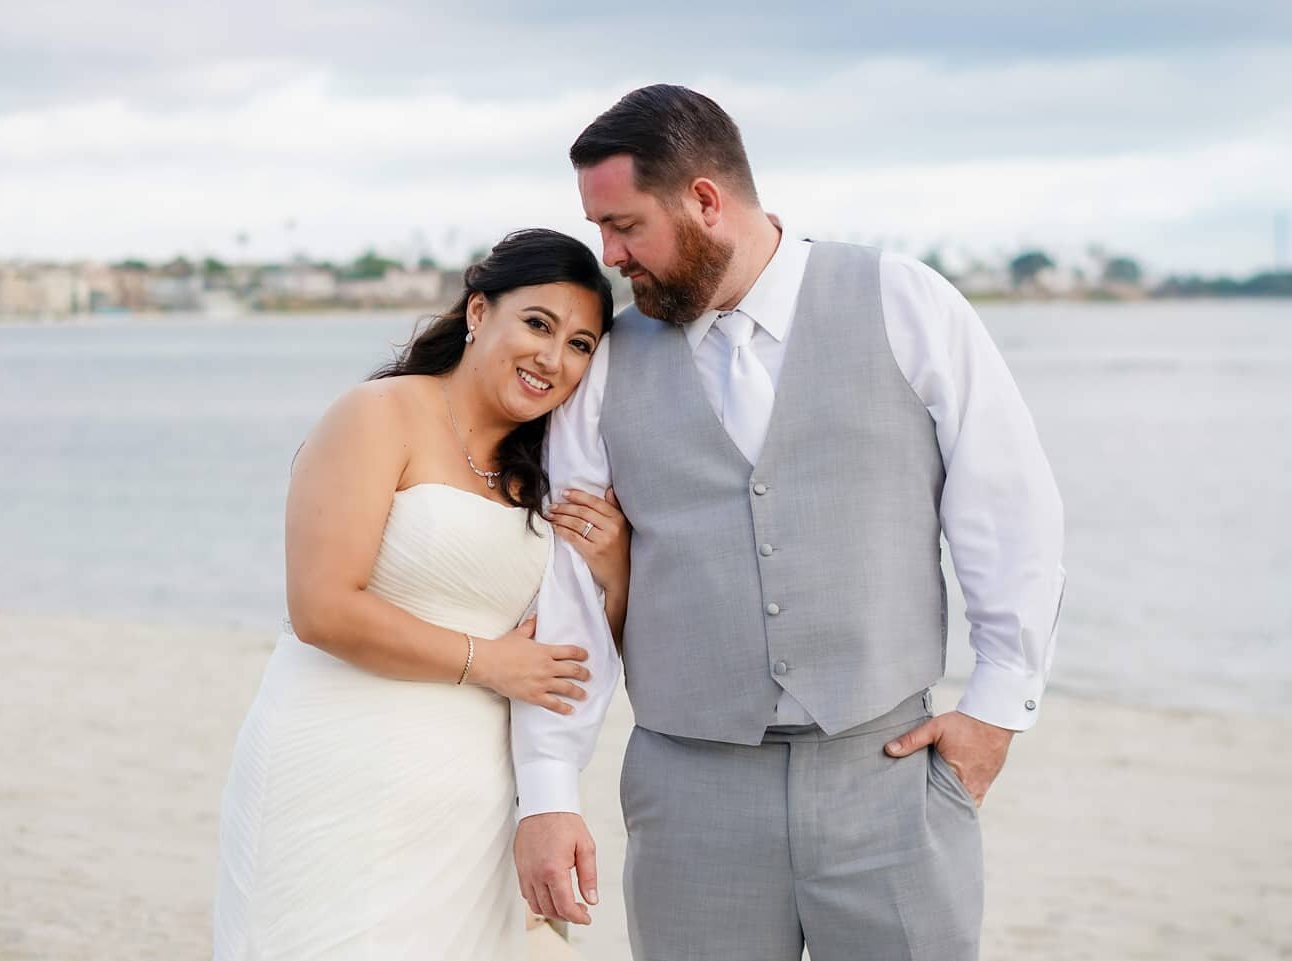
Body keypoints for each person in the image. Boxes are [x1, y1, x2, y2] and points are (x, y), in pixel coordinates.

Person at [511, 85, 1067, 960]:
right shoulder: (611, 360)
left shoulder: (903, 299)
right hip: (688, 792)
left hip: (886, 775)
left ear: (704, 200)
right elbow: (570, 589)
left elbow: (1009, 508)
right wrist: (547, 786)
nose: (610, 255)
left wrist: (997, 707)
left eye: (624, 226)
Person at [213, 228, 631, 961]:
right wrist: (488, 663)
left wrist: (617, 569)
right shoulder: (380, 415)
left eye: (580, 345)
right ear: (478, 312)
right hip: (338, 766)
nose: (552, 358)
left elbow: (572, 654)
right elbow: (321, 607)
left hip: (471, 800)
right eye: (537, 323)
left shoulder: (550, 472)